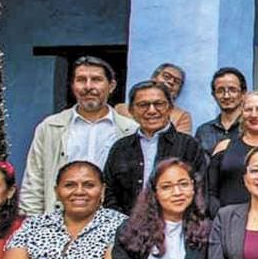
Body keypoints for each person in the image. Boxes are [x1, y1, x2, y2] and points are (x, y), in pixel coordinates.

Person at [20, 56, 137, 215]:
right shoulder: (51, 128)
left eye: (96, 80)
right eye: (81, 80)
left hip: (113, 218)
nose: (88, 87)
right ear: (73, 86)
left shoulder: (130, 130)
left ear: (111, 86)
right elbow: (34, 182)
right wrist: (34, 222)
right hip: (59, 218)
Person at [103, 81, 209, 214]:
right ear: (131, 111)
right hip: (126, 223)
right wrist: (124, 222)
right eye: (143, 105)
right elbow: (110, 192)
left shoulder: (189, 146)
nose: (152, 111)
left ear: (170, 108)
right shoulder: (120, 148)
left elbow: (200, 191)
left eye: (158, 104)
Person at [207, 91, 258, 215]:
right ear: (242, 114)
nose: (254, 114)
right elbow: (210, 191)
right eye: (248, 110)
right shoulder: (224, 147)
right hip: (228, 220)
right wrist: (219, 216)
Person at [116, 63, 193, 134]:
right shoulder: (122, 109)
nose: (171, 82)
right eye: (166, 77)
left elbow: (181, 143)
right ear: (154, 78)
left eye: (177, 82)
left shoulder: (182, 116)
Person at [195, 67, 246, 154]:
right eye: (220, 91)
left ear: (243, 93)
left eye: (232, 90)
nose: (226, 96)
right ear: (213, 95)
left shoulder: (251, 127)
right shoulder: (203, 131)